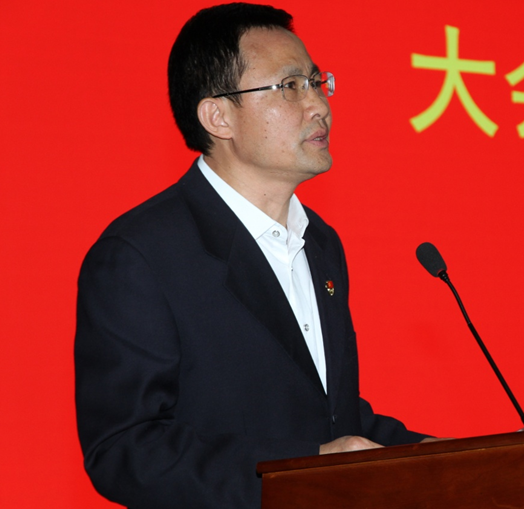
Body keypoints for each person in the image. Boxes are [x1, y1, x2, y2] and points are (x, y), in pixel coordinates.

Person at [74, 4, 429, 508]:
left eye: (316, 82)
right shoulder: (141, 256)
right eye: (290, 86)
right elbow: (126, 449)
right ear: (218, 117)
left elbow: (329, 416)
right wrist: (302, 467)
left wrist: (437, 454)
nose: (318, 105)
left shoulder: (320, 243)